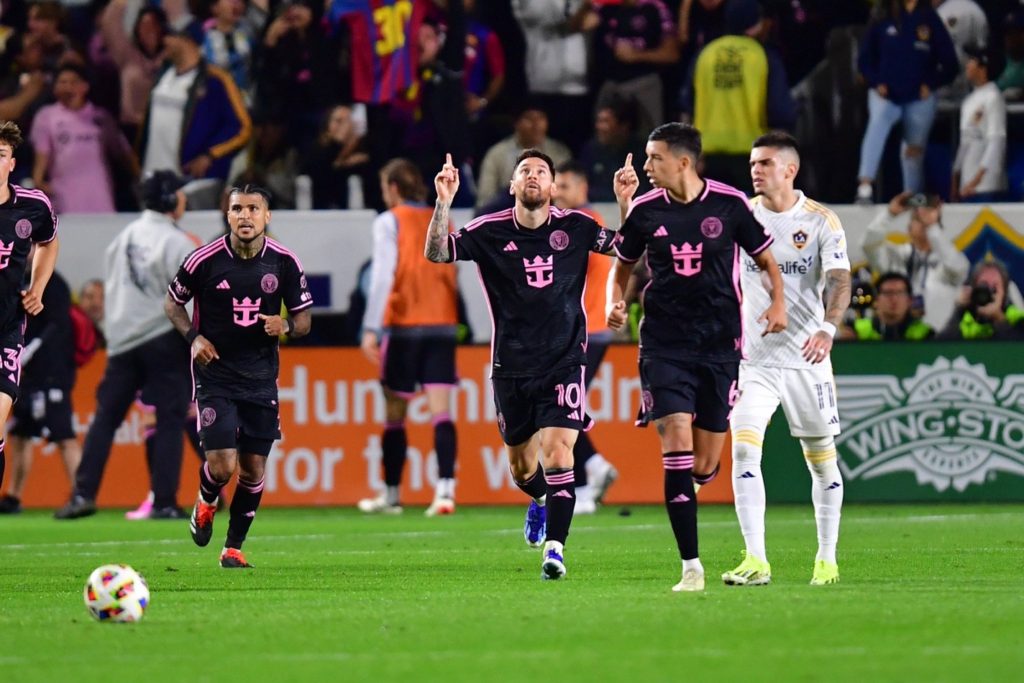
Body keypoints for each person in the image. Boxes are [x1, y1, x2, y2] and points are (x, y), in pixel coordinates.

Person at [426, 149, 626, 580]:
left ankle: (555, 550)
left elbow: (629, 248)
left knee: (559, 454)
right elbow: (439, 253)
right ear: (512, 185)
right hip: (511, 366)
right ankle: (537, 501)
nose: (533, 176)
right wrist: (443, 201)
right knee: (522, 468)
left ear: (553, 187)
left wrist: (627, 203)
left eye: (541, 172)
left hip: (566, 359)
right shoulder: (489, 231)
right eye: (524, 172)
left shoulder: (576, 226)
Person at [605, 122, 787, 592]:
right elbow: (622, 264)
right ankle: (691, 567)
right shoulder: (644, 211)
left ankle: (695, 481)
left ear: (683, 162)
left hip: (719, 345)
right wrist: (616, 300)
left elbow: (766, 260)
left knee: (704, 464)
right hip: (664, 344)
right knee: (677, 443)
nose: (646, 167)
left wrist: (779, 303)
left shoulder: (729, 204)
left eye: (654, 158)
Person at [721, 131, 851, 588]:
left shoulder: (820, 221)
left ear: (789, 170)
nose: (755, 170)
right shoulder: (741, 218)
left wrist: (827, 328)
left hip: (806, 360)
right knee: (742, 449)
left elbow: (839, 280)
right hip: (754, 362)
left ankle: (826, 559)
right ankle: (756, 559)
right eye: (752, 163)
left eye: (765, 163)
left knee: (821, 463)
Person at [166, 184, 313, 569]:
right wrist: (194, 338)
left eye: (253, 208)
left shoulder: (284, 263)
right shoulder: (204, 260)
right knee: (222, 466)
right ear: (227, 215)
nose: (245, 216)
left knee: (253, 469)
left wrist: (284, 324)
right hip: (215, 374)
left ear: (267, 216)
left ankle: (233, 546)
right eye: (237, 209)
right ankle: (207, 497)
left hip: (261, 378)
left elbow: (303, 320)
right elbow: (172, 302)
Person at [54, 171, 197, 520]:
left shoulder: (123, 237)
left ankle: (82, 494)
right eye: (179, 192)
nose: (184, 198)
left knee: (105, 419)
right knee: (169, 419)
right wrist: (195, 337)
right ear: (169, 199)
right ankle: (163, 501)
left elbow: (114, 290)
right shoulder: (177, 242)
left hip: (122, 342)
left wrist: (115, 335)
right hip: (163, 337)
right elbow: (189, 296)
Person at [358, 158, 460, 517]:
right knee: (441, 412)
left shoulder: (389, 221)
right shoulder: (442, 216)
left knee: (395, 413)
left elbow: (384, 275)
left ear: (393, 188)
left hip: (403, 325)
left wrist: (371, 327)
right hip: (442, 323)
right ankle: (445, 492)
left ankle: (392, 494)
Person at [553, 160, 619, 514]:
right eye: (556, 186)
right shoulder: (582, 224)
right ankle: (592, 467)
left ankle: (585, 479)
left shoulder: (584, 224)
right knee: (564, 401)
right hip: (586, 329)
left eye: (564, 186)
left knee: (562, 403)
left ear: (582, 189)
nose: (557, 193)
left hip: (586, 330)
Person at [0, 119, 59, 498]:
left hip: (5, 328)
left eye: (0, 154)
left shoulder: (33, 206)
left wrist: (37, 286)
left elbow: (48, 242)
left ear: (11, 162)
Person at [680, 0, 796, 191]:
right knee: (749, 217)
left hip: (708, 156)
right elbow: (779, 111)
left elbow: (686, 108)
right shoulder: (763, 56)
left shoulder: (705, 54)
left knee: (713, 217)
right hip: (752, 157)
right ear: (755, 25)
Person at [855, 0, 958, 202]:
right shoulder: (883, 16)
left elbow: (950, 64)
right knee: (877, 125)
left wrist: (931, 83)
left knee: (912, 150)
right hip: (887, 96)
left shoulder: (929, 19)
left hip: (917, 98)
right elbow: (864, 60)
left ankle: (911, 194)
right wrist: (877, 82)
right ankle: (865, 186)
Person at [0, 271, 80, 514]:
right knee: (21, 434)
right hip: (27, 374)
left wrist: (32, 348)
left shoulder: (54, 284)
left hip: (52, 372)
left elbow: (59, 324)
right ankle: (13, 496)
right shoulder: (15, 279)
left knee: (64, 434)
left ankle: (81, 494)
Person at [137, 19, 251, 186]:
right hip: (151, 179)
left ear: (186, 40)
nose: (164, 41)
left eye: (169, 36)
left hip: (188, 183)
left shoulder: (216, 81)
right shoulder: (163, 75)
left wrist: (210, 155)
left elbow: (241, 127)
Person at [29, 63, 136, 213]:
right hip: (66, 197)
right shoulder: (46, 116)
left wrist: (138, 176)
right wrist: (40, 182)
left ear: (85, 87)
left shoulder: (101, 117)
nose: (68, 87)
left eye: (73, 82)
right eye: (62, 82)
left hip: (101, 195)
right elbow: (41, 158)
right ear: (55, 88)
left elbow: (122, 152)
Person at [860, 191, 970, 330]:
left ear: (939, 228)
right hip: (900, 335)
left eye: (928, 219)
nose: (924, 222)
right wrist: (889, 215)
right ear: (909, 228)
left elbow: (959, 269)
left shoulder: (946, 259)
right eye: (918, 218)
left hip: (939, 336)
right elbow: (868, 245)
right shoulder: (897, 256)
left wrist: (932, 228)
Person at [475, 104, 571, 211]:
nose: (536, 124)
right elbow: (484, 200)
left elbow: (569, 194)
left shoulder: (559, 152)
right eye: (529, 119)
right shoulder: (497, 154)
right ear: (516, 123)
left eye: (541, 118)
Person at [951, 45, 1007, 203]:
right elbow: (965, 142)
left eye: (972, 61)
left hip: (987, 185)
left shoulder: (994, 97)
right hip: (966, 185)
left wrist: (977, 180)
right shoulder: (969, 101)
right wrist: (955, 177)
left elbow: (996, 141)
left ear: (983, 67)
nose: (967, 65)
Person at [938, 260, 1024, 340]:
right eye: (983, 285)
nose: (988, 292)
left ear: (1004, 293)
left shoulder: (1018, 319)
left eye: (994, 287)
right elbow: (940, 350)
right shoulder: (963, 320)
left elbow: (1018, 351)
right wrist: (958, 311)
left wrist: (999, 319)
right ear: (973, 289)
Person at [845, 272, 934, 340]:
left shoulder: (925, 334)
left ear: (909, 301)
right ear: (876, 300)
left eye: (900, 293)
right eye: (888, 293)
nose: (894, 299)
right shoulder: (855, 330)